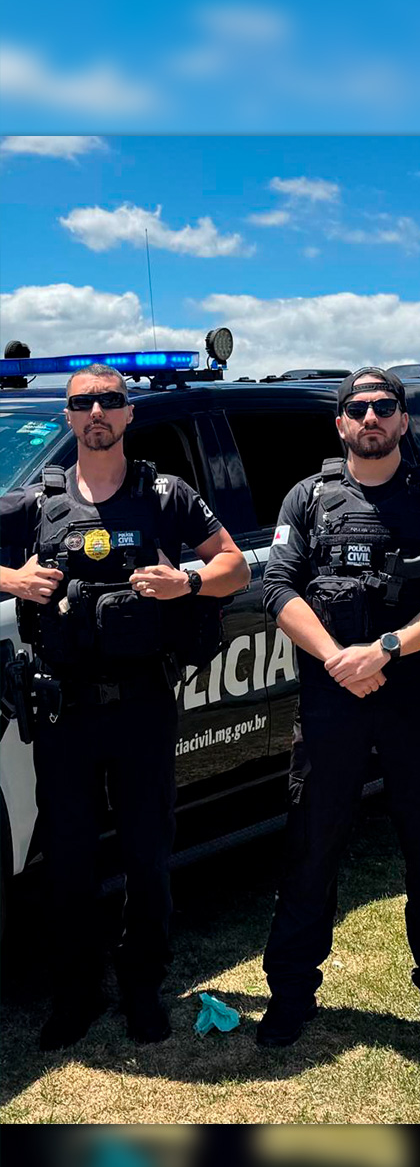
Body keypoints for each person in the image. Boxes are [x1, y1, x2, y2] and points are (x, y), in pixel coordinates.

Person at [0, 363, 249, 1050]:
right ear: (69, 417)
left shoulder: (164, 495)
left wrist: (186, 581)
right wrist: (12, 577)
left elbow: (235, 566)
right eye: (84, 403)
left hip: (143, 706)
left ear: (129, 413)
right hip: (65, 711)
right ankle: (74, 994)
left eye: (110, 400)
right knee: (69, 858)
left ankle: (143, 989)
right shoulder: (39, 501)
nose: (97, 412)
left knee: (147, 854)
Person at [257, 367, 420, 1048]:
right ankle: (291, 995)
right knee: (310, 849)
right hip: (332, 701)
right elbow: (278, 588)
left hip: (413, 699)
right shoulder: (308, 498)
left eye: (384, 406)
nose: (371, 417)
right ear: (341, 424)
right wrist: (337, 659)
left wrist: (384, 649)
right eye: (358, 408)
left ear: (404, 420)